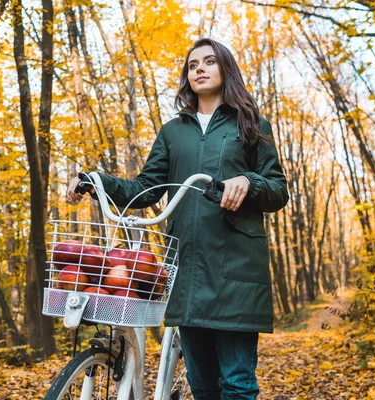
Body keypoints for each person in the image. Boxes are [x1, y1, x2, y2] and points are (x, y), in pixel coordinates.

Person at [67, 38, 289, 400]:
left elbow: (278, 189)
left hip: (237, 270)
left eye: (209, 62)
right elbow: (145, 189)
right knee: (203, 387)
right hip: (187, 270)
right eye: (192, 65)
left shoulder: (250, 123)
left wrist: (249, 181)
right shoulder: (173, 131)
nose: (199, 68)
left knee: (236, 384)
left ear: (226, 68)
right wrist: (97, 181)